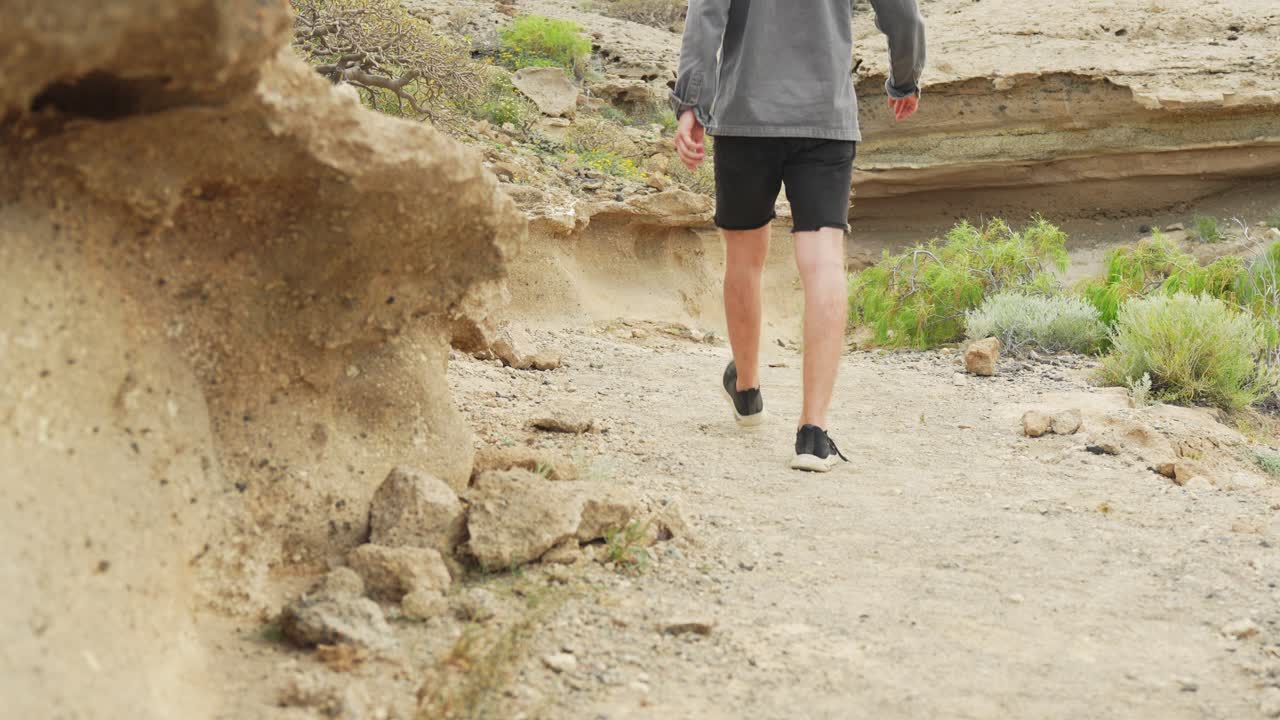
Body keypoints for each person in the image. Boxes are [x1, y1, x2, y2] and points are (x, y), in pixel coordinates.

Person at [671, 0, 926, 472]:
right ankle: (813, 433)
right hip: (824, 119)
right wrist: (904, 77)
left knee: (744, 258)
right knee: (825, 263)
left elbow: (707, 14)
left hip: (745, 118)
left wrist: (691, 103)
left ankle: (746, 390)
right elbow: (901, 12)